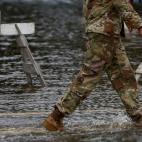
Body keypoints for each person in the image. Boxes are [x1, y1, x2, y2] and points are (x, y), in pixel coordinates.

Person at [42, 0, 142, 131]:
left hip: (106, 33)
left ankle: (138, 115)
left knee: (124, 76)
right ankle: (56, 115)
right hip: (104, 35)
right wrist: (139, 25)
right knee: (89, 76)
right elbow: (122, 4)